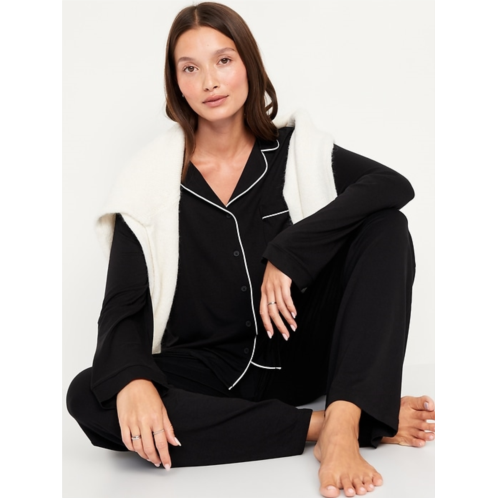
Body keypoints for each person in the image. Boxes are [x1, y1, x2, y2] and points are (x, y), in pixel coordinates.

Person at [66, 2, 435, 497]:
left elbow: (390, 184)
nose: (209, 82)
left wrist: (290, 251)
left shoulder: (295, 150)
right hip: (211, 367)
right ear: (176, 84)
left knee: (386, 226)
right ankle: (329, 425)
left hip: (303, 349)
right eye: (190, 69)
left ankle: (346, 420)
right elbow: (123, 307)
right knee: (90, 394)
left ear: (248, 65)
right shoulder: (149, 181)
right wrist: (134, 381)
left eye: (223, 60)